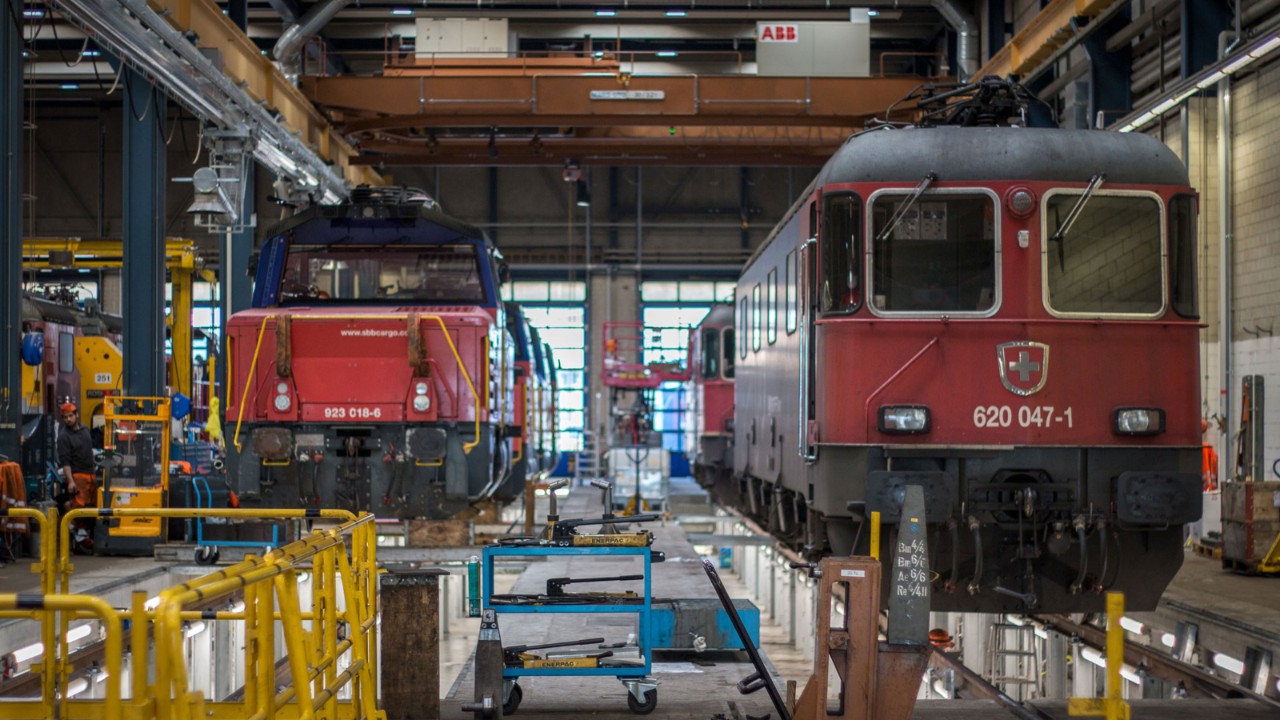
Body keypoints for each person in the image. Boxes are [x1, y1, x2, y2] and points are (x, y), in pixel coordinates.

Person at [56, 402, 97, 549]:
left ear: (76, 415)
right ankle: (70, 532)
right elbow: (65, 461)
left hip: (91, 474)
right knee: (79, 507)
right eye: (65, 417)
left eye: (70, 416)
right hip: (78, 475)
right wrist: (71, 481)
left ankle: (82, 535)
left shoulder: (85, 429)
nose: (68, 419)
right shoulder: (64, 437)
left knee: (90, 507)